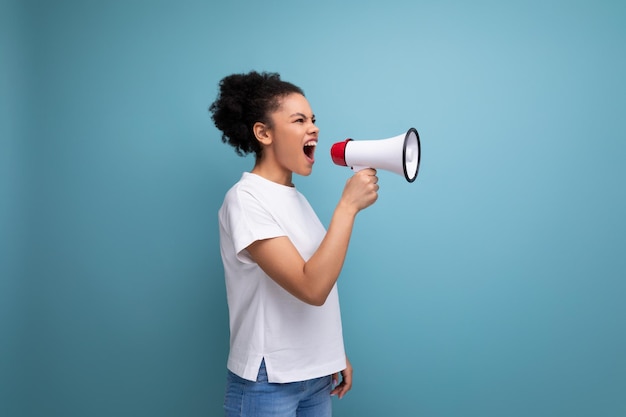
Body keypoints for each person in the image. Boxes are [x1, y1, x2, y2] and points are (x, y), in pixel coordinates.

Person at [209, 71, 379, 417]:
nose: (314, 128)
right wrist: (347, 208)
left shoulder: (296, 200)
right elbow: (310, 286)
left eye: (313, 120)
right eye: (299, 120)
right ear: (264, 132)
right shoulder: (246, 199)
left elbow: (318, 276)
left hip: (315, 376)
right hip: (268, 380)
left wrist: (331, 352)